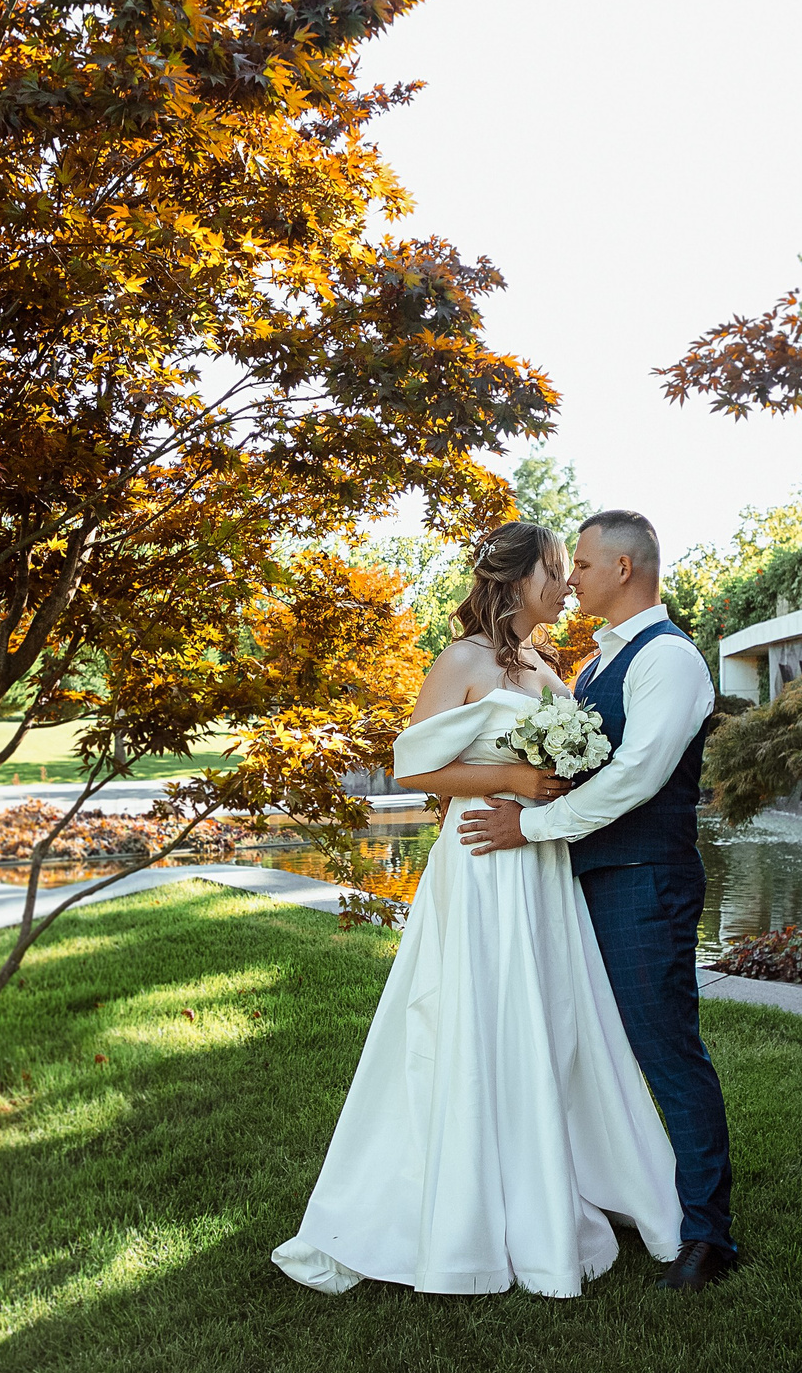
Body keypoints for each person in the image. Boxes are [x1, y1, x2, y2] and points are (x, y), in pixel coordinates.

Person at [271, 521, 682, 1297]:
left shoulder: (547, 665)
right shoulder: (462, 659)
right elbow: (414, 767)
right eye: (556, 571)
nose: (567, 585)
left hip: (541, 863)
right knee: (475, 1012)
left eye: (573, 569)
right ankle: (462, 1206)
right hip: (483, 860)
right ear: (518, 580)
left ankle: (549, 1177)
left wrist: (556, 784)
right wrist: (515, 781)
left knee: (549, 1016)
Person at [456, 509, 738, 1292]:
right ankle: (590, 1189)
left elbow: (638, 776)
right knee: (585, 1048)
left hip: (644, 880)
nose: (570, 576)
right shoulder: (590, 667)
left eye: (580, 563)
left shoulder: (669, 660)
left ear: (623, 568)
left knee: (667, 1051)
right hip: (578, 882)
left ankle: (707, 1235)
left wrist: (530, 826)